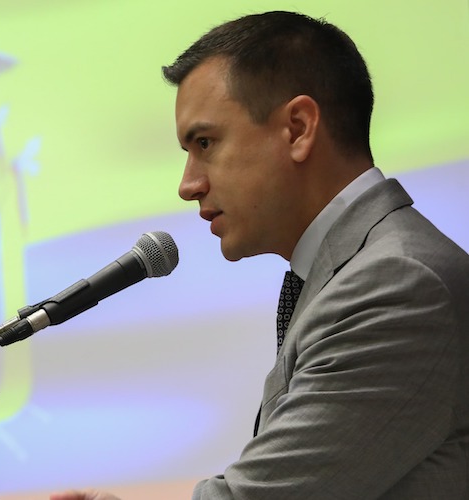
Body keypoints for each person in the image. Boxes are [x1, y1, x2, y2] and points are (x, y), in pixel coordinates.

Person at [51, 10, 469, 500]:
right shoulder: (354, 272)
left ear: (298, 129)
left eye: (205, 143)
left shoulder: (397, 285)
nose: (188, 185)